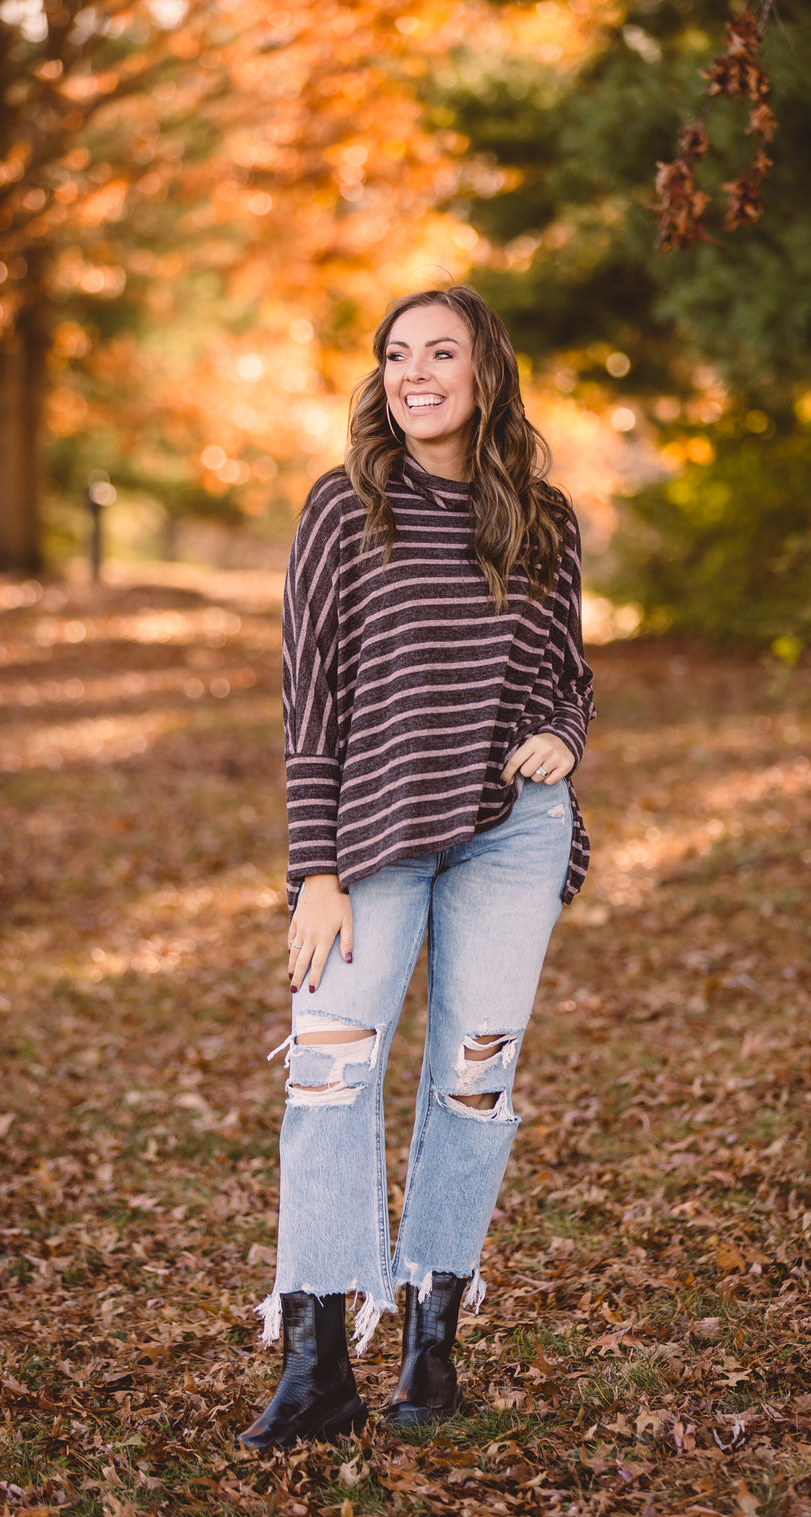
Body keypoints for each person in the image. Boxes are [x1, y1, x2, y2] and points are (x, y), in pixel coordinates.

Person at [239, 284, 594, 1451]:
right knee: (329, 1077)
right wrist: (316, 870)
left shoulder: (540, 519)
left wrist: (561, 737)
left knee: (473, 1085)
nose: (415, 372)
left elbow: (561, 675)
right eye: (397, 354)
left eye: (441, 352)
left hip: (511, 834)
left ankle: (432, 1349)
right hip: (370, 835)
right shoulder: (346, 509)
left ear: (485, 373)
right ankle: (317, 1361)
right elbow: (311, 696)